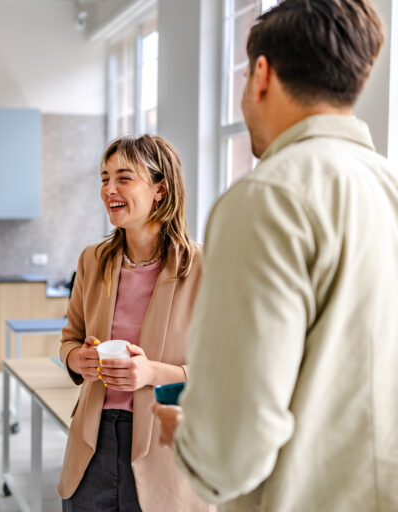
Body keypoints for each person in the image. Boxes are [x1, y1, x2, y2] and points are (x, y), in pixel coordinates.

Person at [153, 1, 398, 510]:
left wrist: (196, 441)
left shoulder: (267, 198)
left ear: (260, 74)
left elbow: (232, 449)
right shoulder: (388, 187)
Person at [58, 135, 212, 512]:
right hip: (93, 440)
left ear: (160, 188)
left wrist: (151, 372)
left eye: (123, 177)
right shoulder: (92, 261)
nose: (109, 189)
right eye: (104, 178)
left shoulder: (203, 268)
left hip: (165, 438)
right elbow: (69, 340)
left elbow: (224, 371)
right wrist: (79, 359)